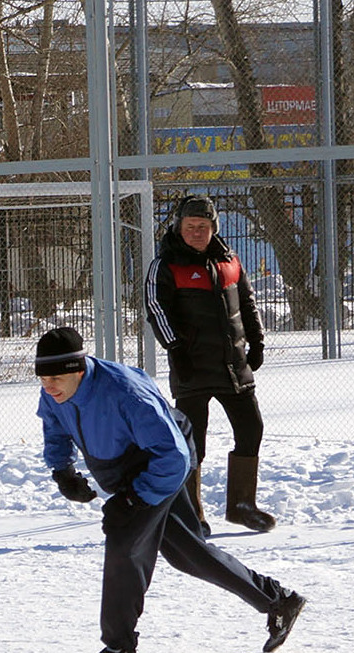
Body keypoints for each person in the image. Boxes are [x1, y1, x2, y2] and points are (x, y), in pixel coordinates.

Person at [34, 325, 304, 653]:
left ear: (79, 369)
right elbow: (54, 427)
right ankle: (278, 600)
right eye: (42, 378)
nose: (48, 385)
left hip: (158, 462)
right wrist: (62, 471)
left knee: (124, 542)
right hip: (129, 467)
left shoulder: (124, 393)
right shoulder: (54, 391)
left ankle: (119, 647)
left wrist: (135, 500)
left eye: (55, 377)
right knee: (187, 553)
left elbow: (173, 457)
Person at [145, 194, 276, 533]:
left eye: (203, 227)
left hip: (233, 367)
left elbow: (247, 303)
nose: (197, 233)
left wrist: (256, 342)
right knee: (192, 445)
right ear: (179, 227)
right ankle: (192, 516)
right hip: (192, 369)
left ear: (213, 228)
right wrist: (176, 351)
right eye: (190, 227)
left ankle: (242, 506)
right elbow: (156, 311)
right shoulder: (166, 264)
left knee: (252, 429)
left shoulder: (229, 261)